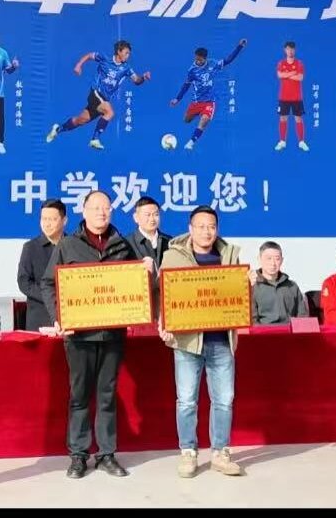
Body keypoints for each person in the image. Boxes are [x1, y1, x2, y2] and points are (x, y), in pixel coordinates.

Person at [42, 190, 152, 479]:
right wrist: (59, 317)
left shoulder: (123, 244)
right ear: (84, 211)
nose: (101, 213)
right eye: (95, 208)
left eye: (106, 208)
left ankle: (106, 454)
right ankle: (78, 455)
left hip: (113, 334)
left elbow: (138, 283)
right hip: (78, 336)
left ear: (112, 212)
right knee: (79, 396)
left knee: (107, 395)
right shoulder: (68, 244)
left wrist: (146, 272)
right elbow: (48, 283)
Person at [158, 206, 250, 478]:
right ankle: (188, 452)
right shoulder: (173, 256)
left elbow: (237, 295)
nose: (206, 232)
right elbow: (164, 294)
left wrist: (248, 284)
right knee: (186, 400)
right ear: (190, 228)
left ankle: (221, 452)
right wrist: (164, 322)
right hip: (187, 342)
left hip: (222, 340)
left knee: (224, 400)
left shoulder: (229, 255)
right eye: (201, 226)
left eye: (211, 226)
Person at [45, 40, 152, 150]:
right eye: (126, 53)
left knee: (79, 120)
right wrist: (78, 65)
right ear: (119, 51)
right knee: (110, 112)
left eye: (129, 53)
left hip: (103, 100)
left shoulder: (126, 68)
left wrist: (143, 78)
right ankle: (95, 139)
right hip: (96, 93)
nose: (128, 55)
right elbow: (89, 56)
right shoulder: (105, 59)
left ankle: (57, 129)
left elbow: (136, 80)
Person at [168, 38, 247, 150]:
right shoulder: (192, 70)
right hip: (196, 101)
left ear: (205, 58)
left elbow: (228, 60)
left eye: (199, 59)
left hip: (209, 101)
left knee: (204, 120)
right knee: (186, 120)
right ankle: (199, 113)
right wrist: (177, 99)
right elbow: (186, 85)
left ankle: (191, 142)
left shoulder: (213, 64)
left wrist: (239, 47)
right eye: (196, 59)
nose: (197, 61)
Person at [16, 199, 66, 330]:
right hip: (39, 318)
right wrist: (51, 297)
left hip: (69, 316)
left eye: (52, 219)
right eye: (44, 219)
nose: (47, 224)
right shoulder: (30, 247)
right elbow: (24, 282)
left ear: (64, 220)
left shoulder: (73, 246)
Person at [252, 241, 309, 325]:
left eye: (277, 259)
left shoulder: (292, 286)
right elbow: (252, 321)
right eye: (268, 258)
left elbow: (302, 316)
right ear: (259, 259)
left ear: (282, 260)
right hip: (264, 331)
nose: (273, 263)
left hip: (289, 331)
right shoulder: (252, 287)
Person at [274, 41, 309, 152]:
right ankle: (282, 141)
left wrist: (286, 75)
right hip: (284, 97)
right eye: (288, 49)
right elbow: (280, 75)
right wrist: (293, 73)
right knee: (283, 118)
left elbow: (300, 77)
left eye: (292, 49)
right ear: (285, 50)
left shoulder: (299, 64)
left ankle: (301, 142)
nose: (290, 51)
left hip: (296, 97)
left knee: (298, 118)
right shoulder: (281, 63)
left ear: (295, 50)